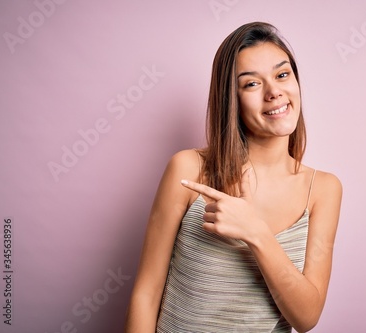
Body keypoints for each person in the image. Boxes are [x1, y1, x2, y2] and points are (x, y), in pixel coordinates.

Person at [125, 21, 342, 333]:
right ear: (232, 100)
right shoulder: (188, 169)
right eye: (252, 84)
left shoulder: (322, 190)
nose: (274, 92)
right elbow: (145, 295)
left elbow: (306, 317)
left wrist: (256, 233)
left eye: (282, 75)